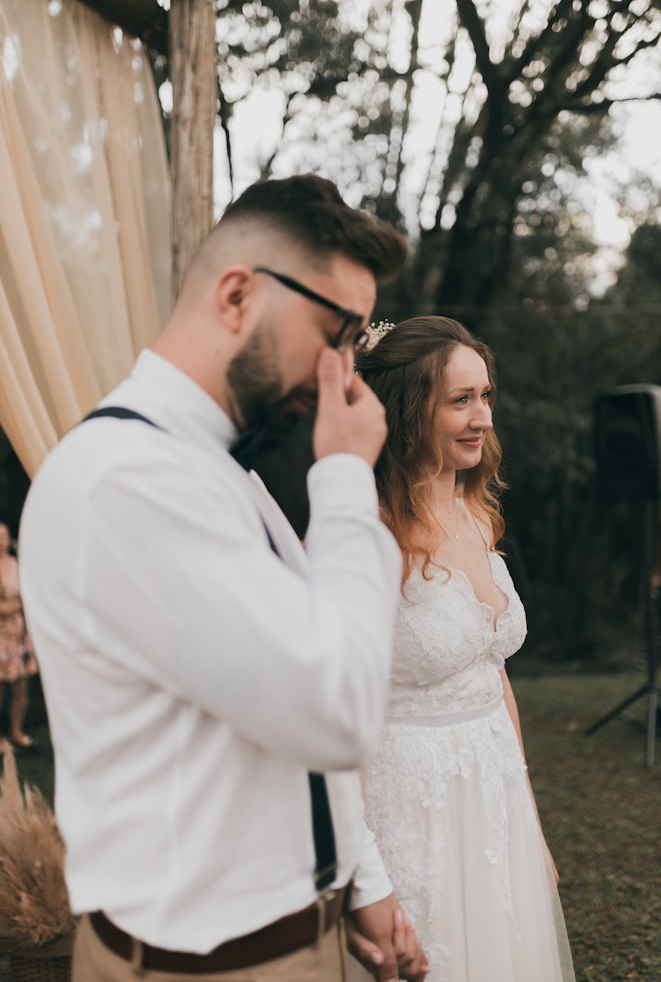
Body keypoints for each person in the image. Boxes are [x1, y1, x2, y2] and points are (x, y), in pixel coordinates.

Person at [18, 175, 428, 982]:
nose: (341, 370)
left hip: (296, 938)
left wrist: (355, 882)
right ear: (237, 294)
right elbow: (335, 709)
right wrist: (346, 478)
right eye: (336, 331)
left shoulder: (213, 472)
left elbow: (277, 719)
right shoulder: (126, 482)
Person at [351, 316, 576, 982]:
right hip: (408, 810)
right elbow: (339, 715)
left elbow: (491, 675)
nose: (480, 416)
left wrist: (528, 819)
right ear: (406, 409)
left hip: (493, 793)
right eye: (458, 399)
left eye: (484, 395)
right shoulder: (365, 535)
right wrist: (365, 877)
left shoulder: (476, 513)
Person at [0, 521, 37, 752]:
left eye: (4, 535)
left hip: (19, 633)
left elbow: (31, 600)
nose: (1, 540)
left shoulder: (18, 565)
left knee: (21, 687)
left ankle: (16, 729)